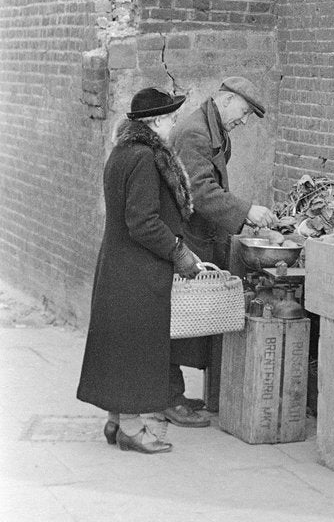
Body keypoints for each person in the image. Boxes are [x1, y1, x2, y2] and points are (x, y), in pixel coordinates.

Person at [77, 88, 201, 454]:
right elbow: (143, 222)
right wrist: (180, 252)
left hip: (118, 265)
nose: (174, 123)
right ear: (156, 122)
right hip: (138, 270)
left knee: (120, 344)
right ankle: (131, 428)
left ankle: (116, 420)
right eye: (171, 118)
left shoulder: (122, 152)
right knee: (136, 347)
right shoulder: (146, 158)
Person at [166, 76, 277, 425]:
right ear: (226, 100)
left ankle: (178, 395)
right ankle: (169, 399)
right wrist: (246, 212)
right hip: (188, 235)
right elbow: (199, 192)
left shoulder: (211, 126)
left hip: (202, 232)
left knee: (193, 321)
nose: (243, 121)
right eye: (243, 112)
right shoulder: (195, 133)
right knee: (180, 318)